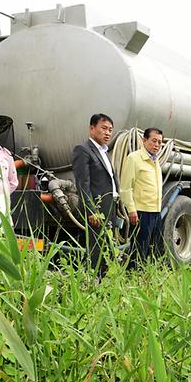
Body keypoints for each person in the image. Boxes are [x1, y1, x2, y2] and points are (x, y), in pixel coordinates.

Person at [71, 113, 118, 276]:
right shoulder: (83, 150)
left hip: (109, 206)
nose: (107, 133)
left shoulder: (105, 152)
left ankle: (104, 281)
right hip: (96, 209)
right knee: (97, 248)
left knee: (108, 246)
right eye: (103, 128)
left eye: (110, 130)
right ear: (92, 128)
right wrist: (91, 211)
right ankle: (95, 281)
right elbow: (82, 184)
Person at [119, 127, 164, 266]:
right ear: (144, 140)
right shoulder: (134, 158)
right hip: (141, 212)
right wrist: (132, 210)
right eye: (153, 141)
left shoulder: (155, 161)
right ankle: (133, 277)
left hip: (156, 211)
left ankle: (147, 277)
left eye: (160, 142)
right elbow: (125, 188)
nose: (157, 145)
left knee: (154, 248)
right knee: (139, 250)